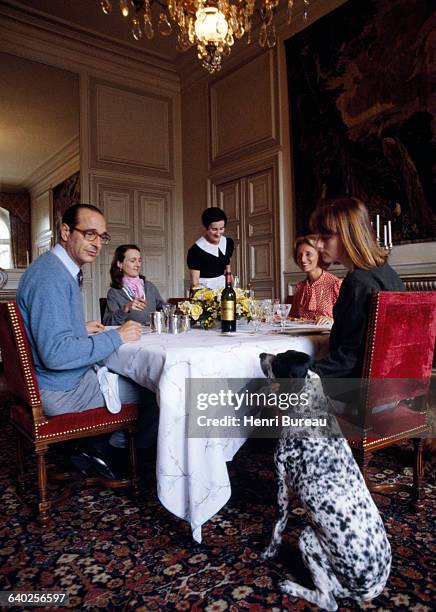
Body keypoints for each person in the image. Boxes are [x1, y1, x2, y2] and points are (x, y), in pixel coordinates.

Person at [17, 203, 157, 476]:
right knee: (154, 388)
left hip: (53, 380)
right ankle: (115, 455)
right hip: (61, 388)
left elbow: (46, 333)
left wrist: (79, 329)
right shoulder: (52, 277)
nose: (96, 243)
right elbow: (56, 354)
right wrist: (117, 336)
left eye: (101, 237)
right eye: (89, 233)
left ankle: (96, 446)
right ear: (66, 232)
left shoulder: (51, 268)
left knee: (125, 371)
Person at [308, 197, 405, 379]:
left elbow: (350, 357)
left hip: (355, 387)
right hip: (390, 383)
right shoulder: (388, 273)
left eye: (326, 236)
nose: (318, 244)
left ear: (349, 235)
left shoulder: (358, 282)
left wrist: (308, 373)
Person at [103, 244, 166, 326]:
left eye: (139, 261)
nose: (138, 265)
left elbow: (164, 307)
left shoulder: (149, 286)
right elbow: (108, 323)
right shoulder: (114, 292)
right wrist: (125, 309)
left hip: (152, 334)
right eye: (133, 261)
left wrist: (182, 307)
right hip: (130, 336)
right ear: (120, 264)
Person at [290, 234, 342, 325]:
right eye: (299, 255)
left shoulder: (335, 284)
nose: (302, 259)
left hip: (328, 338)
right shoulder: (300, 287)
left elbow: (349, 320)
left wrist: (332, 321)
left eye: (308, 254)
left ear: (320, 255)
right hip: (302, 337)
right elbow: (293, 318)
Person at [187, 207, 234, 290]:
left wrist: (231, 289)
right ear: (206, 228)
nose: (218, 233)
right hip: (204, 291)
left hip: (223, 289)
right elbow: (195, 283)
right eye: (214, 229)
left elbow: (228, 271)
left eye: (221, 229)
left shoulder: (228, 243)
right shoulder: (195, 251)